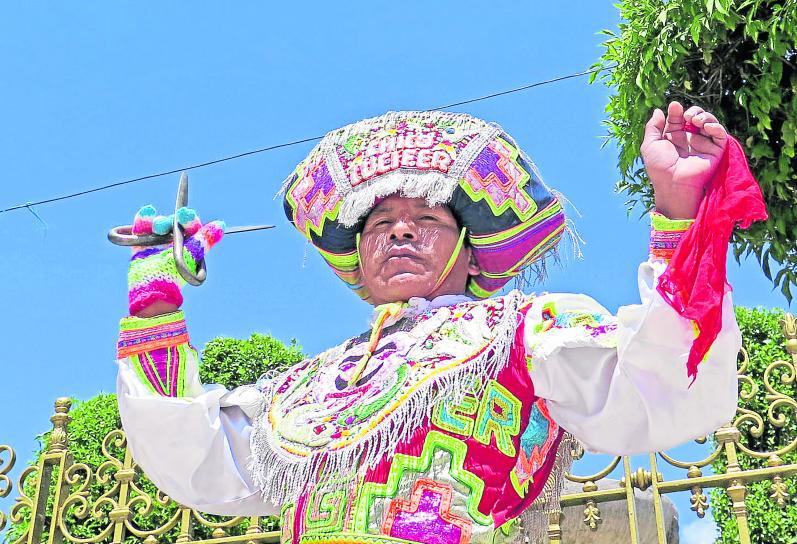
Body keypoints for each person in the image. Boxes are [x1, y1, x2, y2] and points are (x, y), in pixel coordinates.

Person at [116, 103, 764, 544]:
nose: (398, 229)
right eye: (377, 222)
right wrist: (155, 297)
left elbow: (660, 388)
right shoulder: (306, 387)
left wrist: (680, 214)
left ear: (466, 247)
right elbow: (192, 456)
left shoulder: (527, 326)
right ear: (359, 260)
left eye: (425, 220)